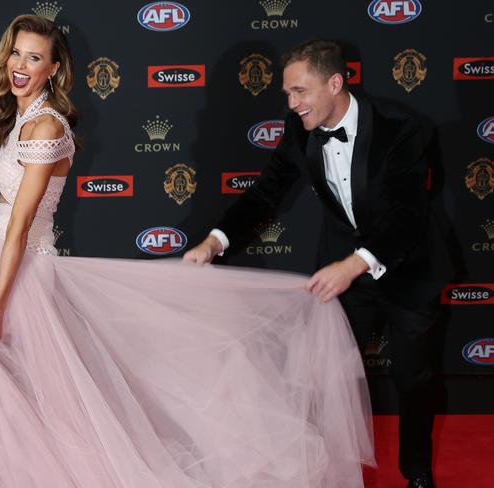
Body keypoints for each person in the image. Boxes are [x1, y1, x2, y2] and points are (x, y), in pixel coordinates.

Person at [0, 19, 374, 488]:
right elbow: (5, 220)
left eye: (35, 57)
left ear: (53, 69)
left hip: (22, 278)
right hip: (0, 268)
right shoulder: (23, 123)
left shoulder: (48, 130)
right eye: (16, 52)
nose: (20, 64)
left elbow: (22, 230)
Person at [185, 39, 453, 488]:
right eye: (287, 94)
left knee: (413, 378)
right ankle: (320, 473)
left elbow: (408, 216)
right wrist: (215, 241)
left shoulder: (401, 129)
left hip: (407, 268)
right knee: (320, 378)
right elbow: (264, 194)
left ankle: (418, 473)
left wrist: (354, 264)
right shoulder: (298, 131)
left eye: (300, 92)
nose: (292, 104)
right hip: (344, 273)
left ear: (335, 82)